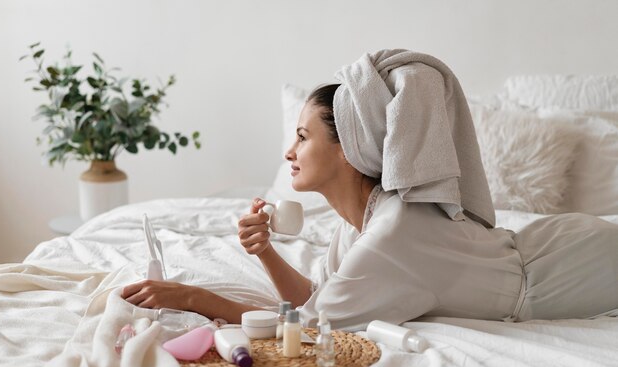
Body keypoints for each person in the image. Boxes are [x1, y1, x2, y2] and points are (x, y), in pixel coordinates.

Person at [122, 49, 618, 330]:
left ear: (347, 148)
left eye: (301, 136)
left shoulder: (396, 233)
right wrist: (266, 252)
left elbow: (309, 328)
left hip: (570, 267)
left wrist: (190, 297)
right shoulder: (369, 218)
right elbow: (323, 299)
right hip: (547, 247)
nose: (288, 152)